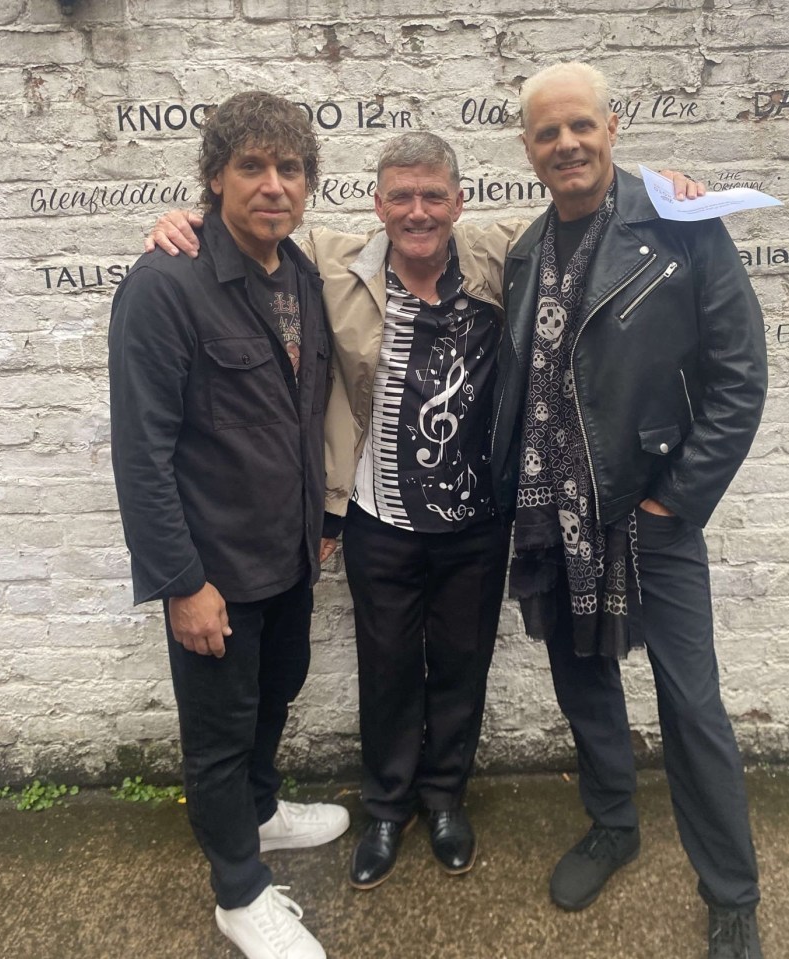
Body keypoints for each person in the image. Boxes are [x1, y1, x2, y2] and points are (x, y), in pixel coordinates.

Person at [145, 135, 701, 892]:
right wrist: (184, 221)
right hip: (378, 521)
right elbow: (249, 229)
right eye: (400, 196)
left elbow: (585, 206)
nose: (417, 211)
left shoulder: (502, 253)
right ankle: (385, 807)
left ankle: (444, 799)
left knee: (461, 668)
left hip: (478, 521)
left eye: (433, 195)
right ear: (376, 205)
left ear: (459, 202)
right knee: (389, 669)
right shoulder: (331, 262)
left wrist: (658, 189)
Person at [490, 62, 767, 959]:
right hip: (552, 513)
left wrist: (671, 500)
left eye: (580, 126)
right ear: (528, 150)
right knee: (584, 680)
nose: (565, 144)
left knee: (692, 705)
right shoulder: (528, 248)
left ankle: (731, 893)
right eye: (546, 133)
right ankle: (614, 822)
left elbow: (738, 377)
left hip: (650, 511)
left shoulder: (680, 223)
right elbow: (401, 234)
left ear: (612, 127)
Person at [109, 91, 349, 959]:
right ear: (214, 178)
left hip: (285, 555)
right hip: (211, 570)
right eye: (251, 166)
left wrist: (322, 521)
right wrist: (181, 583)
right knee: (216, 734)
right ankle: (239, 895)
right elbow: (142, 450)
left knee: (273, 695)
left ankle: (259, 812)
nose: (273, 185)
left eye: (290, 168)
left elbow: (302, 412)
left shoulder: (303, 278)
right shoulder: (166, 285)